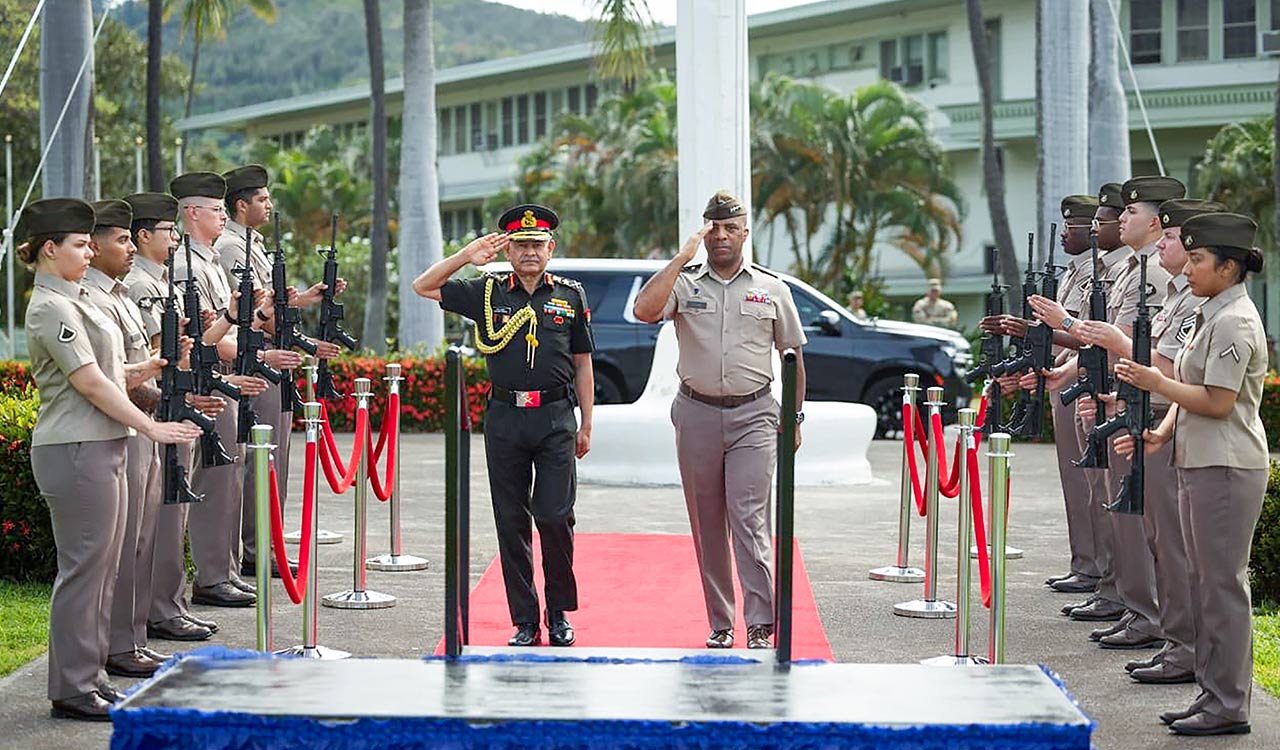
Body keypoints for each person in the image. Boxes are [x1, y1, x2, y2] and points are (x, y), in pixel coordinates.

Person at [18, 198, 200, 720]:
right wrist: (150, 425)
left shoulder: (80, 300)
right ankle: (72, 686)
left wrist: (152, 366)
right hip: (76, 447)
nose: (89, 250)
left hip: (102, 443)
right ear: (50, 249)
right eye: (79, 244)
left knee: (105, 569)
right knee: (84, 570)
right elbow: (90, 383)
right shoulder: (51, 307)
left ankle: (92, 677)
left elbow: (113, 371)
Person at [631, 190, 807, 650]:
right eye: (715, 229)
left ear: (746, 234)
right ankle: (721, 621)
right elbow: (644, 311)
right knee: (707, 522)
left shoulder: (773, 289)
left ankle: (762, 620)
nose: (723, 236)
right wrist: (681, 255)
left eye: (732, 228)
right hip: (697, 413)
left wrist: (796, 416)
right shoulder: (685, 284)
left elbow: (792, 355)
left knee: (749, 519)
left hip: (754, 414)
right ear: (706, 232)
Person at [1114, 212, 1267, 736]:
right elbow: (1191, 385)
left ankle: (1228, 703)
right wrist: (1166, 428)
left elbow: (1218, 401)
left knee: (1221, 585)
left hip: (1225, 465)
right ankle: (1212, 693)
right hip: (1201, 458)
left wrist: (1155, 381)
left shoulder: (1235, 320)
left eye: (1199, 259)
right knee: (1204, 582)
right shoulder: (1210, 312)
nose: (1191, 267)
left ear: (1229, 267)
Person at [413, 203, 594, 647]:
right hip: (505, 418)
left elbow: (583, 362)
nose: (529, 252)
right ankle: (525, 619)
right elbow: (424, 286)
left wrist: (588, 423)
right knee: (511, 520)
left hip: (555, 418)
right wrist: (465, 256)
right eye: (520, 245)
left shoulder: (570, 295)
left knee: (554, 517)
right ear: (508, 251)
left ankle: (559, 614)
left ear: (550, 248)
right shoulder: (488, 291)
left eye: (537, 244)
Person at [1071, 198, 1223, 687]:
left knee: (1176, 548)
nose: (1165, 244)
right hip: (1148, 417)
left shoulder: (1193, 301)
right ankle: (1173, 639)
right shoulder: (1178, 295)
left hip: (1167, 422)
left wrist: (1113, 345)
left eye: (1176, 239)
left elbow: (1171, 369)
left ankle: (1177, 641)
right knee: (1158, 536)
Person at [214, 164, 342, 578]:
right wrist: (285, 316)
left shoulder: (252, 245)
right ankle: (256, 548)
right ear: (241, 205)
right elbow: (257, 315)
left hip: (274, 353)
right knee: (263, 458)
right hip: (257, 356)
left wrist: (305, 298)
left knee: (276, 457)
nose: (269, 205)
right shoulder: (233, 248)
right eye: (263, 199)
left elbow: (275, 309)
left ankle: (265, 542)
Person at [122, 191, 226, 642]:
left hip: (171, 402)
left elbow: (186, 349)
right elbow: (153, 358)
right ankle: (159, 610)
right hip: (155, 408)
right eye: (167, 231)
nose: (174, 238)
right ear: (145, 235)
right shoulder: (143, 286)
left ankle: (168, 604)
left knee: (172, 517)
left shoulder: (162, 280)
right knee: (160, 523)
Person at [171, 171, 269, 608]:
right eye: (214, 209)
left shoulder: (208, 260)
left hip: (222, 376)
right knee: (213, 483)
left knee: (227, 480)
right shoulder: (186, 265)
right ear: (193, 212)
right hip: (204, 380)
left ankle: (223, 570)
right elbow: (203, 334)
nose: (222, 215)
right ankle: (212, 575)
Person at [81, 199, 168, 679]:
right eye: (120, 239)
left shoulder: (116, 296)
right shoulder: (91, 299)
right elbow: (106, 375)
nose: (130, 246)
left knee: (141, 537)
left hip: (140, 418)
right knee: (122, 542)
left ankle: (131, 638)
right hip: (124, 423)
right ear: (93, 246)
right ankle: (117, 645)